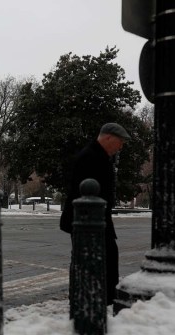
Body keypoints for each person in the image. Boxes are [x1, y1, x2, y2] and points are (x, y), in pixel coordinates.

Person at [59, 122, 131, 305]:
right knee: (98, 258)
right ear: (108, 137)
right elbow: (85, 191)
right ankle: (97, 299)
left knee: (102, 257)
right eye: (119, 142)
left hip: (94, 219)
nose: (120, 147)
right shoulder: (91, 157)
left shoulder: (98, 155)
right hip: (88, 220)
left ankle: (98, 297)